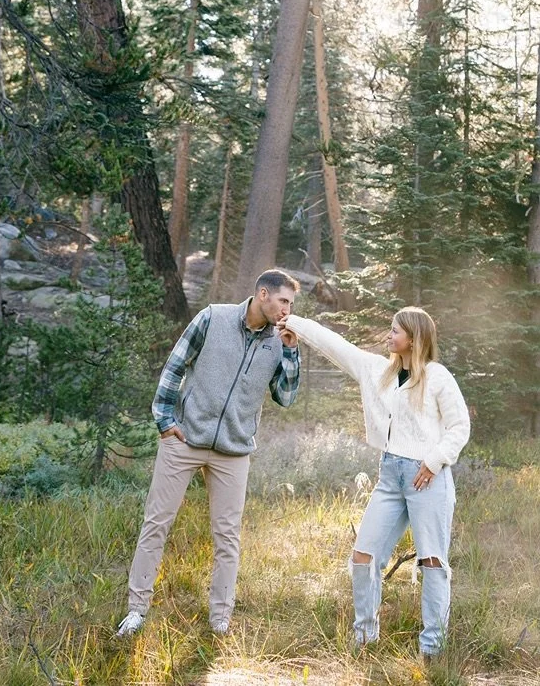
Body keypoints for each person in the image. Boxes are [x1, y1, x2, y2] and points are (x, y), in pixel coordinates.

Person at [115, 269, 303, 637]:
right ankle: (137, 611)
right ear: (262, 294)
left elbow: (286, 396)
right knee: (156, 524)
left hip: (233, 451)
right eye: (283, 301)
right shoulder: (213, 317)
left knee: (227, 537)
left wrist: (292, 351)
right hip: (184, 440)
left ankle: (220, 619)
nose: (287, 310)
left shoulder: (281, 340)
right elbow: (174, 366)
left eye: (291, 304)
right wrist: (164, 421)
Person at [280, 307, 470, 657]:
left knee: (432, 561)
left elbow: (460, 428)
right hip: (390, 476)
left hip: (427, 478)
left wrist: (433, 461)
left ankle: (432, 648)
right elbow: (335, 345)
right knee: (363, 556)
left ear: (413, 338)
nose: (389, 335)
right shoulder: (378, 370)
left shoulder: (438, 376)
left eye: (395, 331)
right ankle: (365, 639)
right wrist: (293, 322)